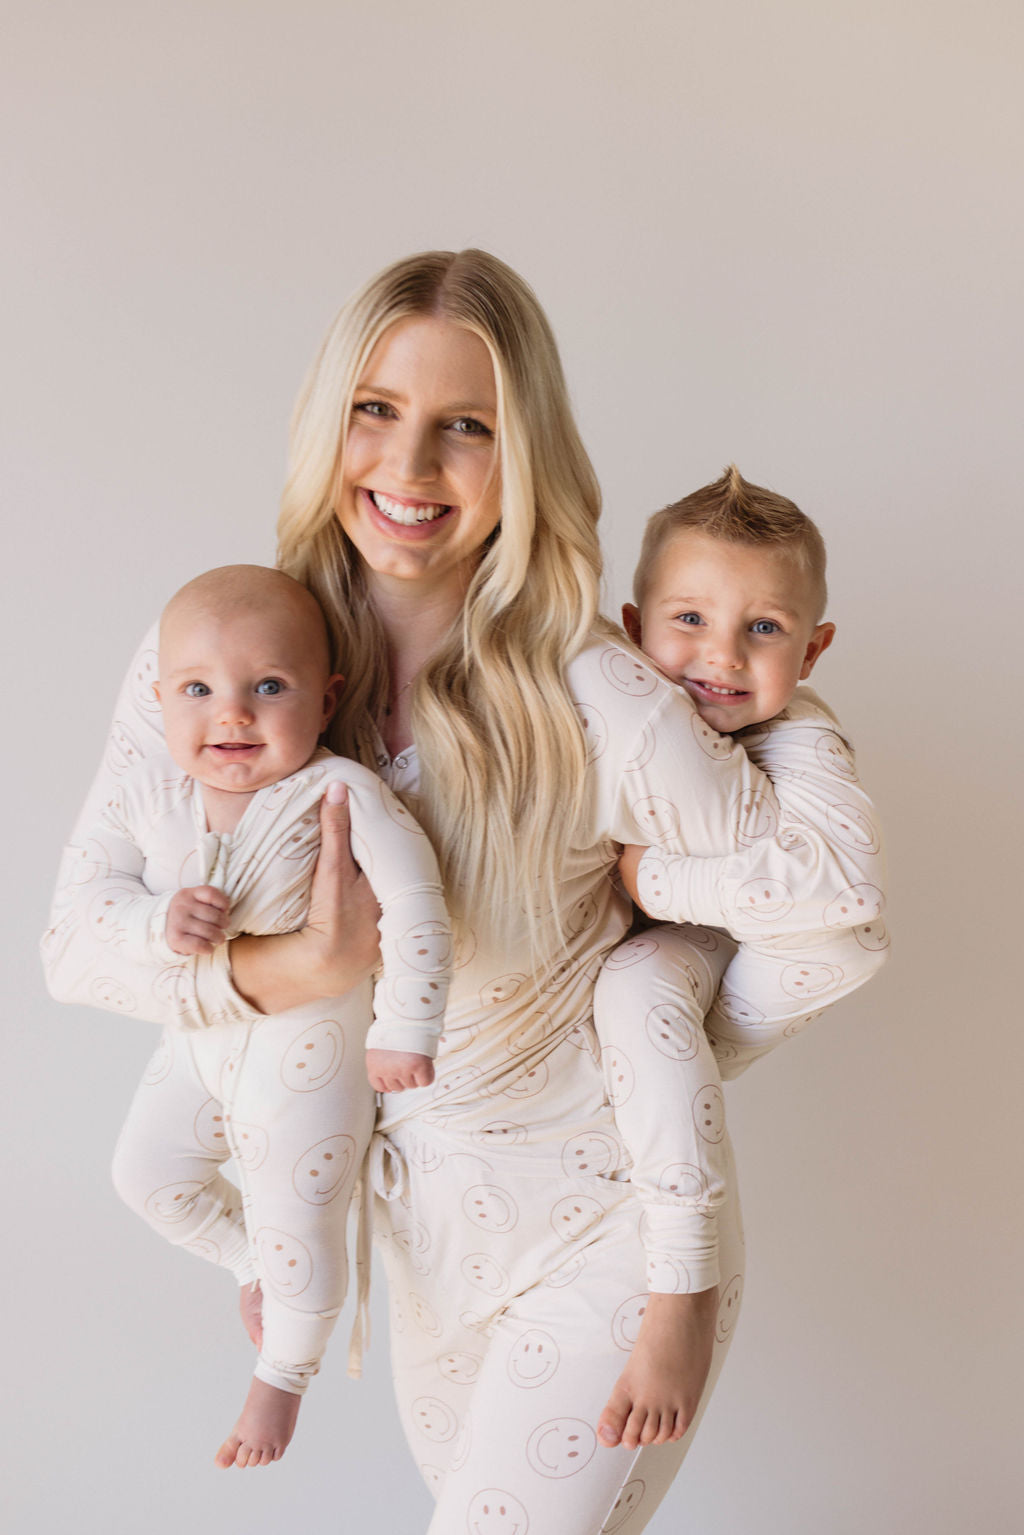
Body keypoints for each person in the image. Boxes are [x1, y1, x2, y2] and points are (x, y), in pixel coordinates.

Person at [44, 249, 886, 1533]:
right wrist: (288, 975)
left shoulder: (599, 692)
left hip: (604, 1235)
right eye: (375, 411)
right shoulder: (217, 653)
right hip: (420, 1254)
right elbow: (74, 949)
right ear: (328, 423)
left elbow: (824, 906)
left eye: (466, 428)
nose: (410, 465)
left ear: (525, 453)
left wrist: (666, 961)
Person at [45, 563, 452, 1467]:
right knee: (144, 1175)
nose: (232, 714)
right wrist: (156, 921)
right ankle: (250, 1266)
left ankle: (282, 1379)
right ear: (160, 700)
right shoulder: (153, 797)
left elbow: (419, 900)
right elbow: (86, 921)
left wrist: (405, 1029)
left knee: (296, 1213)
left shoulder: (340, 790)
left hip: (309, 1053)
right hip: (198, 1044)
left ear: (325, 696)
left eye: (268, 688)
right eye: (199, 690)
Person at [593, 466, 886, 1445]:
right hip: (679, 975)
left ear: (812, 648)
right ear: (631, 627)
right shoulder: (625, 717)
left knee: (636, 985)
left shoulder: (803, 735)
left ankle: (684, 1288)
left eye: (762, 628)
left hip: (784, 953)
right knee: (631, 1043)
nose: (719, 654)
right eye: (689, 618)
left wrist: (647, 879)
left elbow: (844, 890)